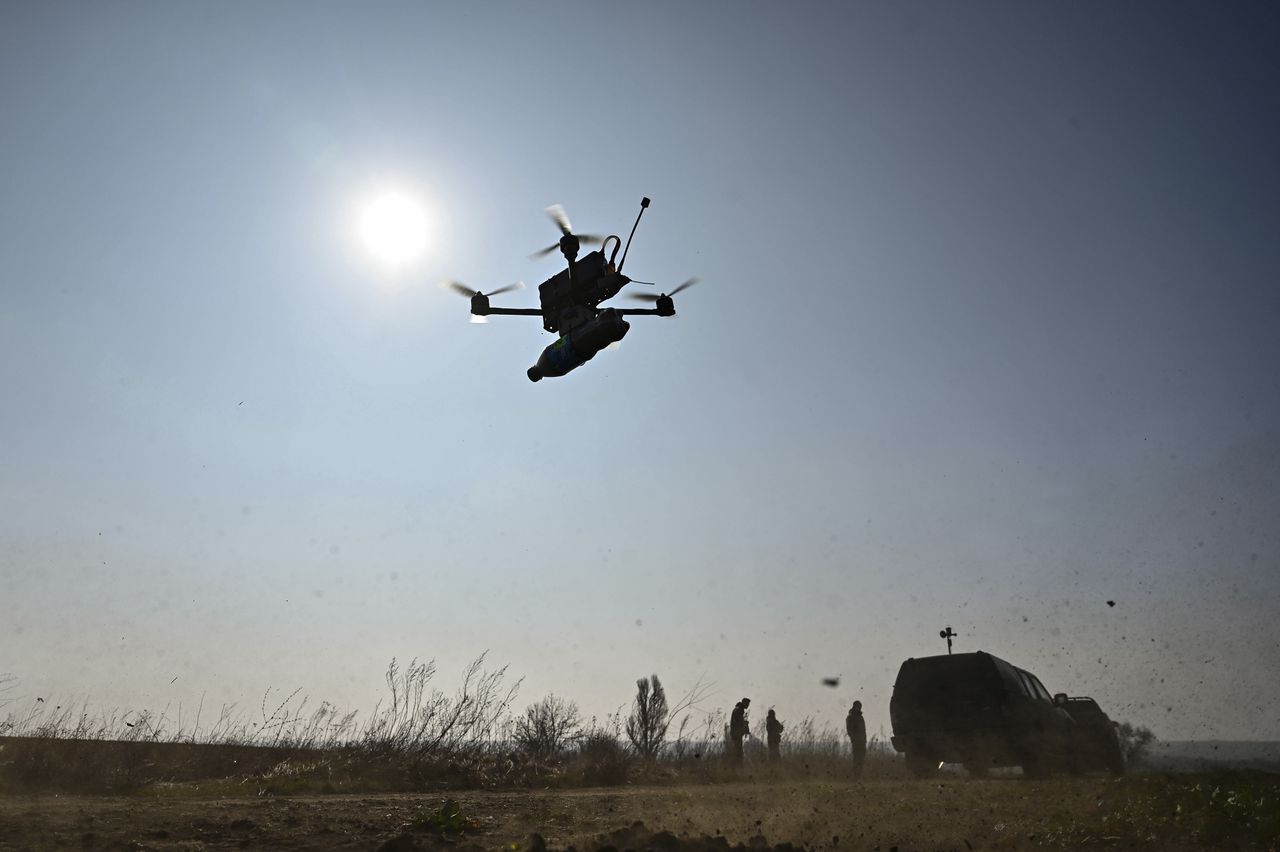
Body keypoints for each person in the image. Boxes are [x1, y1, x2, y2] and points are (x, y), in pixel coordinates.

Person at [846, 700, 867, 778]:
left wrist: (864, 740)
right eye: (857, 706)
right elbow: (849, 730)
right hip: (856, 742)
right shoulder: (850, 717)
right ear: (854, 706)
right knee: (856, 759)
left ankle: (859, 775)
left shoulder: (860, 717)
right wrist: (854, 739)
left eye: (859, 707)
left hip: (862, 742)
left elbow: (863, 730)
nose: (859, 708)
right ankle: (855, 776)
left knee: (861, 759)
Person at [729, 698, 751, 764]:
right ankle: (737, 766)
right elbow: (737, 723)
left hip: (736, 733)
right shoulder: (739, 710)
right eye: (747, 703)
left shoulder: (738, 709)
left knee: (737, 750)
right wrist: (744, 724)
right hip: (737, 733)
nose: (748, 705)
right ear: (744, 703)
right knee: (738, 751)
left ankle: (737, 765)